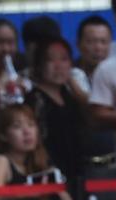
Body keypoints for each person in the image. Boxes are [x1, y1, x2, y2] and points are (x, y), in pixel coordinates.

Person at [25, 37, 86, 180]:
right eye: (50, 60)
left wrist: (74, 85)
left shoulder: (69, 96)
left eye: (64, 59)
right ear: (39, 65)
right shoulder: (35, 100)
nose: (58, 66)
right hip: (49, 174)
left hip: (76, 172)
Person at [72, 15, 111, 92]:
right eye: (91, 42)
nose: (98, 48)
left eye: (103, 41)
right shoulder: (68, 75)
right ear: (78, 44)